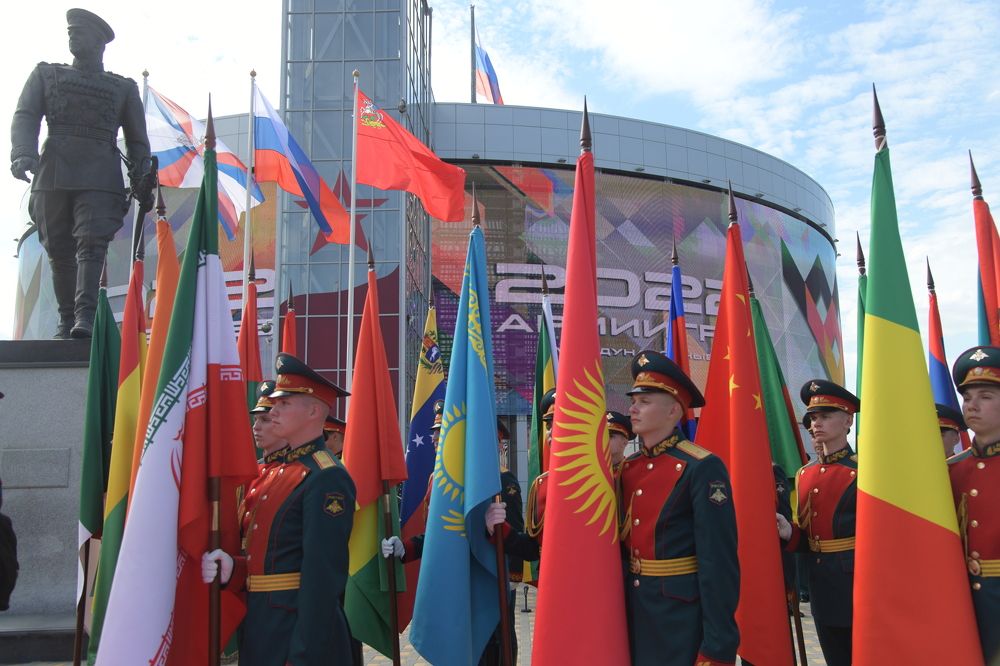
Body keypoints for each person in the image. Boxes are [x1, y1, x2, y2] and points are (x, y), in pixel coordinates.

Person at [202, 353, 355, 666]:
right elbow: (273, 558)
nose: (273, 411)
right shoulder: (278, 472)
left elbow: (322, 580)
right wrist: (234, 569)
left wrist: (303, 655)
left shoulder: (326, 476)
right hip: (263, 626)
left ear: (313, 411)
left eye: (284, 403)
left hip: (295, 634)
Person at [10, 9, 152, 339]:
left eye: (80, 32)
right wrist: (23, 152)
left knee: (91, 242)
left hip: (100, 174)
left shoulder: (122, 88)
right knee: (58, 248)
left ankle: (84, 317)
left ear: (99, 42)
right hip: (54, 171)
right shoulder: (46, 75)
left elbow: (137, 141)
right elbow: (25, 115)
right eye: (70, 32)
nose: (72, 36)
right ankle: (66, 319)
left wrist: (141, 176)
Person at [618, 350, 739, 666]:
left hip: (680, 618)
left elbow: (718, 562)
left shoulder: (702, 467)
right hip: (631, 611)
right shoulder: (626, 469)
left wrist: (718, 644)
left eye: (644, 401)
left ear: (673, 410)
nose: (632, 408)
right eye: (634, 400)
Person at [776, 379, 859, 666]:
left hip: (856, 585)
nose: (816, 423)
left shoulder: (865, 471)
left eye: (825, 416)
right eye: (813, 418)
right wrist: (789, 532)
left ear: (848, 421)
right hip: (821, 586)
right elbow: (807, 537)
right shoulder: (805, 474)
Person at [948, 346, 1000, 663]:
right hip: (962, 601)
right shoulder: (950, 471)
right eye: (967, 398)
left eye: (985, 396)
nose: (972, 405)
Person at [525, 387, 556, 542]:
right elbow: (532, 547)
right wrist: (499, 527)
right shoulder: (541, 485)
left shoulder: (597, 480)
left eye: (559, 422)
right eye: (548, 426)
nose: (550, 431)